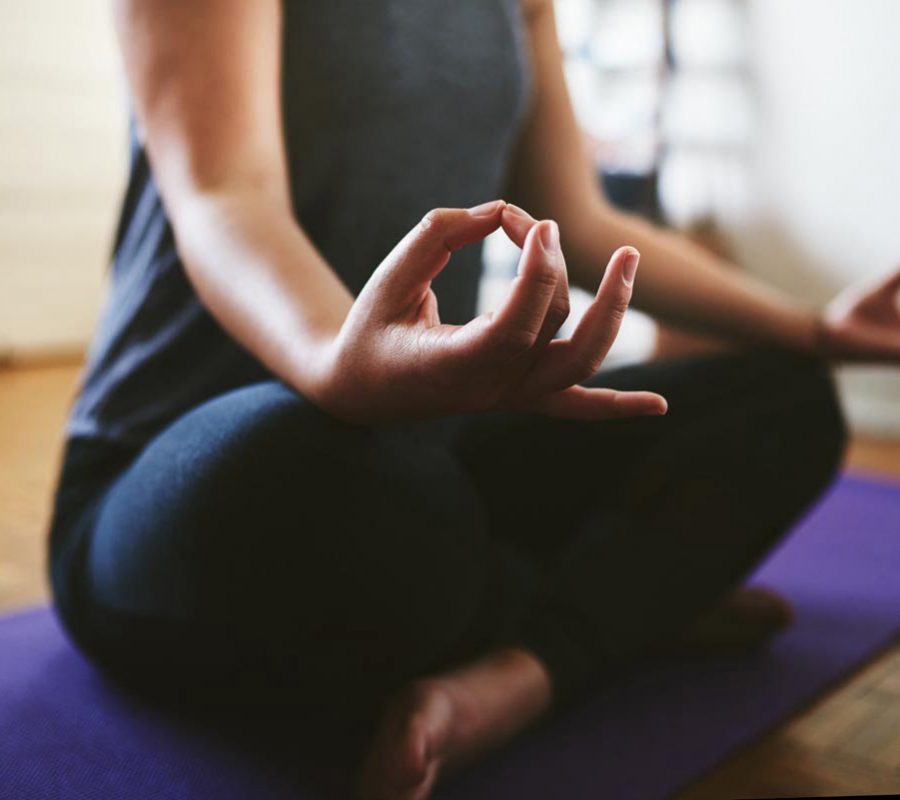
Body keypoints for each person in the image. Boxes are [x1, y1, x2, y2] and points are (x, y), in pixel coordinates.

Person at [48, 1, 899, 798]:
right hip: (194, 478)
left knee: (782, 397)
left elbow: (584, 222)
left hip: (422, 460)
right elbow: (221, 192)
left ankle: (520, 675)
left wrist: (813, 329)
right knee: (312, 466)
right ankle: (628, 596)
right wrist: (342, 362)